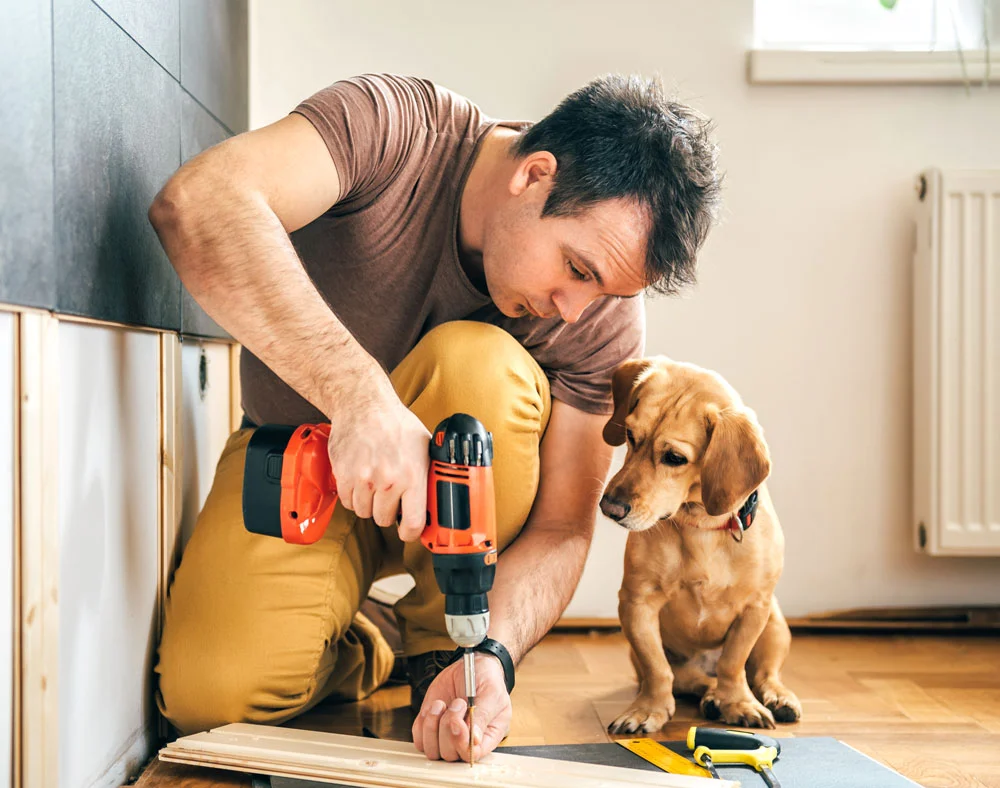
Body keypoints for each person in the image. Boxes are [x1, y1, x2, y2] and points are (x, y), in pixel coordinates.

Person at [148, 71, 720, 763]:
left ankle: (444, 646)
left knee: (477, 363)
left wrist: (494, 652)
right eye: (577, 269)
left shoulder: (601, 318)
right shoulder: (391, 128)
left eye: (603, 293)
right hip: (300, 459)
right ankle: (374, 638)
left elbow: (562, 528)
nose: (574, 311)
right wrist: (360, 399)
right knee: (210, 701)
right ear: (535, 175)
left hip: (462, 534)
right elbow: (199, 201)